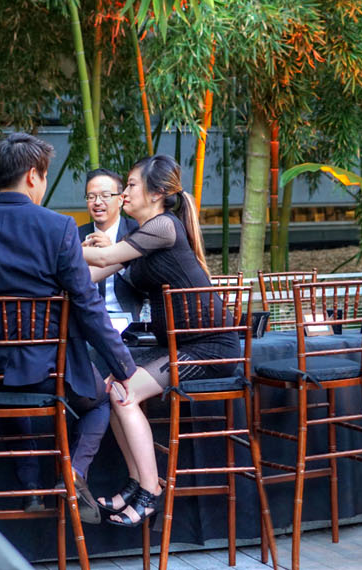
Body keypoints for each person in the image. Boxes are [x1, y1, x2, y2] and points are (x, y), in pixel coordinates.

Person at [0, 132, 135, 516]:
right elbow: (87, 303)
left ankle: (30, 488)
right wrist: (124, 367)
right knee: (100, 400)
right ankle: (73, 473)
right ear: (31, 176)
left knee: (10, 390)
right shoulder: (57, 227)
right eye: (43, 177)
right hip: (48, 371)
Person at [78, 155, 230, 527]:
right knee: (111, 388)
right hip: (180, 344)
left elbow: (107, 255)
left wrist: (45, 247)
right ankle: (137, 481)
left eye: (130, 185)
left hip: (210, 346)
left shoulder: (164, 225)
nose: (124, 192)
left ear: (157, 192)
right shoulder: (144, 236)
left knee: (123, 394)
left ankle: (150, 492)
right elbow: (97, 269)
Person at [78, 169, 143, 321]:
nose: (97, 202)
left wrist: (114, 254)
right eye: (91, 197)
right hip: (87, 320)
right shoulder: (74, 235)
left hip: (130, 319)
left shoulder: (137, 233)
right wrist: (80, 259)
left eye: (105, 196)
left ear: (120, 199)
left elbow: (146, 284)